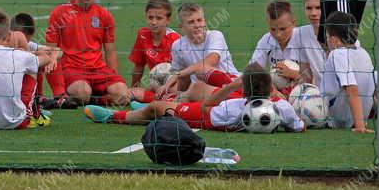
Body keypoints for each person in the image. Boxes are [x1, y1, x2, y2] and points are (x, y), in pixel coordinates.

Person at [83, 62, 304, 132]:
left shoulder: (234, 105)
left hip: (205, 117)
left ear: (244, 90)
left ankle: (113, 117)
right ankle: (134, 104)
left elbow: (208, 107)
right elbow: (300, 127)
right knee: (194, 90)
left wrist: (231, 86)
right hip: (253, 99)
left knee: (158, 108)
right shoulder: (282, 107)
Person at [44, 0, 132, 107]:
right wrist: (58, 89)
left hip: (99, 70)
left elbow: (110, 51)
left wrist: (115, 78)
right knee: (82, 93)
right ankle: (92, 97)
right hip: (72, 70)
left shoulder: (105, 15)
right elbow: (50, 52)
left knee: (122, 95)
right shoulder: (60, 13)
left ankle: (96, 98)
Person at [0, 9, 59, 130]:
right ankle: (33, 114)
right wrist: (34, 53)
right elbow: (46, 59)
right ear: (9, 35)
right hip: (14, 122)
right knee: (32, 68)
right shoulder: (19, 55)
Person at [161, 2, 239, 98]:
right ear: (181, 27)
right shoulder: (177, 45)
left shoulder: (215, 35)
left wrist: (177, 75)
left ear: (205, 21)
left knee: (199, 78)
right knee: (159, 101)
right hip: (200, 92)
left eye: (199, 20)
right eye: (191, 22)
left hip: (230, 86)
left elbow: (210, 62)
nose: (197, 25)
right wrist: (179, 96)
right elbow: (184, 80)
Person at [319, 11, 374, 132]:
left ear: (333, 39)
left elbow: (351, 88)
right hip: (360, 117)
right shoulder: (364, 53)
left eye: (327, 36)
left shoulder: (337, 54)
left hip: (337, 119)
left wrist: (360, 127)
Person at [249, 0, 312, 91]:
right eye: (273, 29)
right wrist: (270, 88)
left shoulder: (304, 40)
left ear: (293, 23)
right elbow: (252, 72)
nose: (278, 35)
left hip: (304, 91)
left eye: (283, 29)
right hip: (277, 92)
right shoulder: (266, 40)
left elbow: (317, 78)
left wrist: (295, 75)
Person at [127, 0, 180, 90]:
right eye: (150, 17)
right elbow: (139, 66)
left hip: (176, 86)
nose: (154, 22)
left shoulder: (176, 40)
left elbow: (184, 72)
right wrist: (133, 88)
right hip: (156, 84)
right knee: (129, 94)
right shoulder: (143, 35)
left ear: (168, 20)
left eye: (159, 18)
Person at [296, 0, 327, 78]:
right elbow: (306, 76)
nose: (313, 13)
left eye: (318, 8)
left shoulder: (343, 36)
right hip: (316, 91)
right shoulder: (301, 34)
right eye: (309, 8)